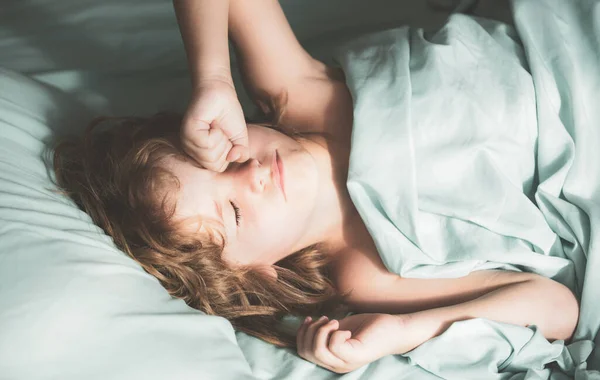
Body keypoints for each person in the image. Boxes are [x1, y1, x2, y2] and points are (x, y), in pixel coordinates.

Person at [52, 0, 579, 374]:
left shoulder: (296, 94)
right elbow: (556, 308)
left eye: (220, 154)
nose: (251, 175)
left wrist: (211, 77)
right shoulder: (364, 271)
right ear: (257, 271)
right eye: (234, 211)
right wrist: (410, 330)